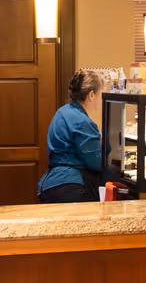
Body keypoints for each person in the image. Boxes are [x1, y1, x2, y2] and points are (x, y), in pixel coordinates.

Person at [39, 70, 125, 204]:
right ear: (91, 95)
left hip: (50, 183)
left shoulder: (63, 111)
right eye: (100, 93)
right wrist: (106, 144)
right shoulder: (83, 121)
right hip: (70, 186)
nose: (100, 99)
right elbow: (96, 163)